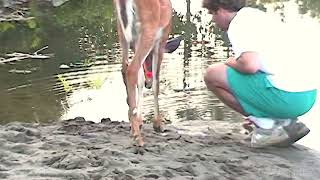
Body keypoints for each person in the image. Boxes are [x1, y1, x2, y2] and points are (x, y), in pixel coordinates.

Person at [202, 0, 318, 147]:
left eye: (212, 13)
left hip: (290, 99)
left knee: (212, 74)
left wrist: (229, 61)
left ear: (221, 10)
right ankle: (284, 121)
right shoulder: (255, 15)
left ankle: (266, 127)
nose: (213, 19)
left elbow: (250, 65)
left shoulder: (238, 24)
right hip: (307, 97)